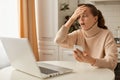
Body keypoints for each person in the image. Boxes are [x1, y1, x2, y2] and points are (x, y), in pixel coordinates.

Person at [54, 3, 118, 70]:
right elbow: (58, 41)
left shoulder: (106, 34)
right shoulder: (78, 34)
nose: (81, 19)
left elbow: (112, 63)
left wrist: (91, 60)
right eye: (78, 17)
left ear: (95, 19)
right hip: (83, 74)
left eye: (84, 16)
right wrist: (72, 19)